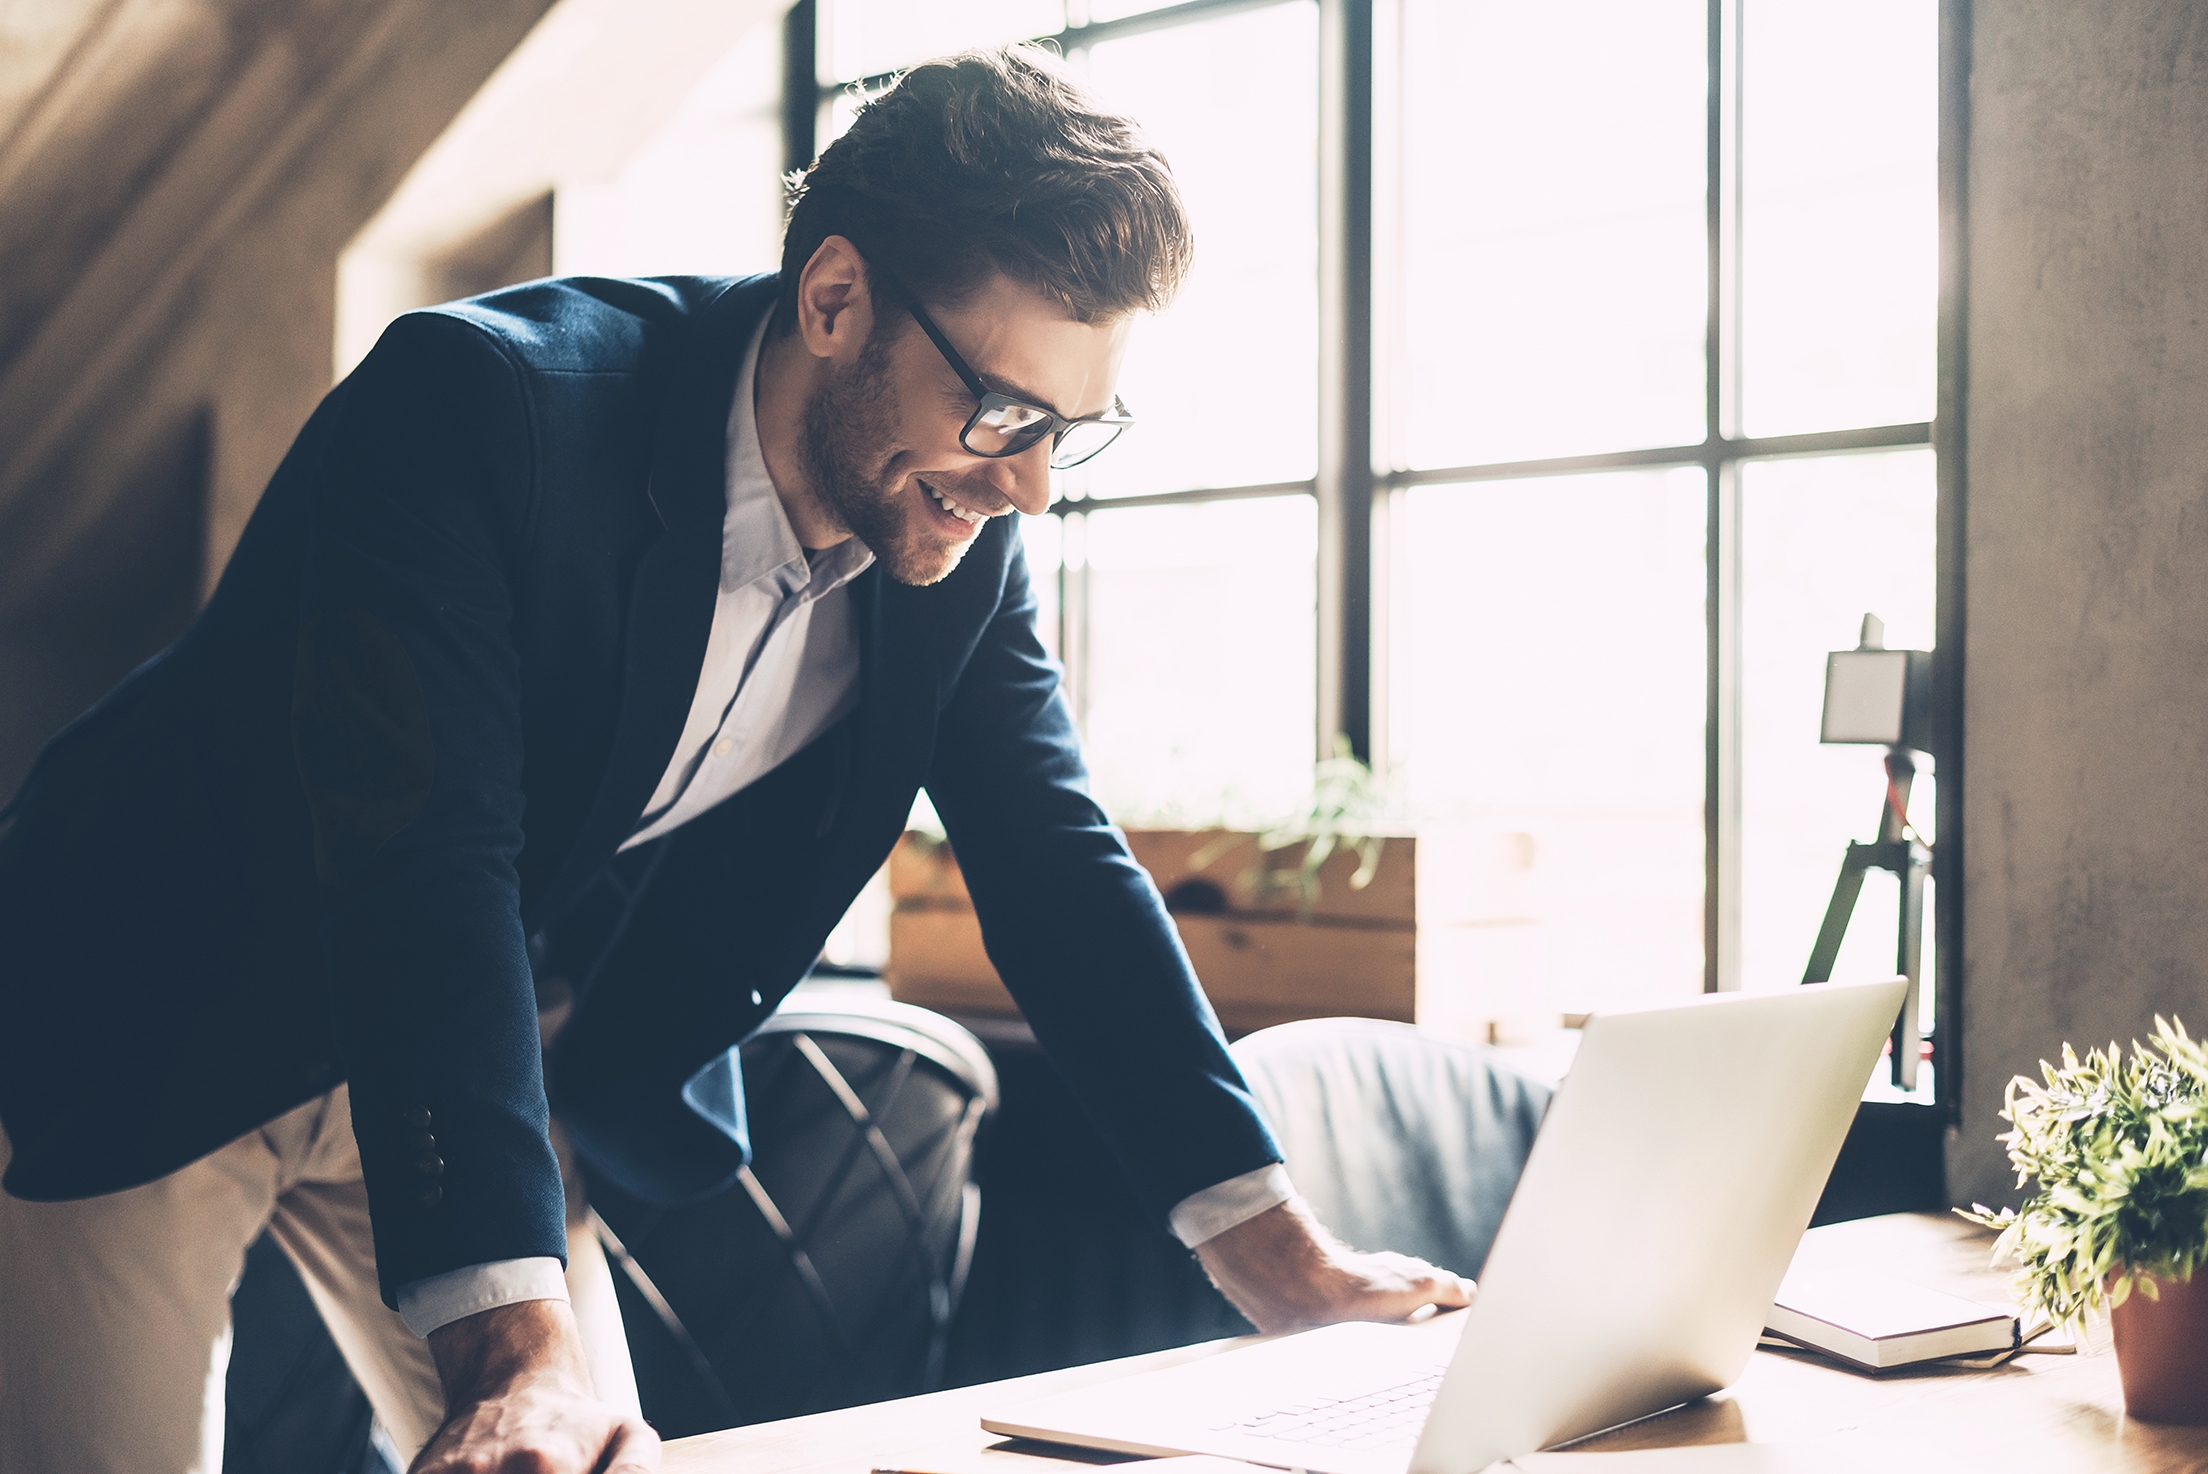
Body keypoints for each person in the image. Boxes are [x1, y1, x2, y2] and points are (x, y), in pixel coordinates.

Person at [0, 43, 1470, 1474]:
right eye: (1005, 412)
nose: (1026, 485)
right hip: (149, 992)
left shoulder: (955, 536)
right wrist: (518, 1352)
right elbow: (425, 856)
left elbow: (1056, 867)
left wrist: (1285, 1258)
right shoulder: (476, 409)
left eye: (1069, 434)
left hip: (473, 1052)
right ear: (835, 297)